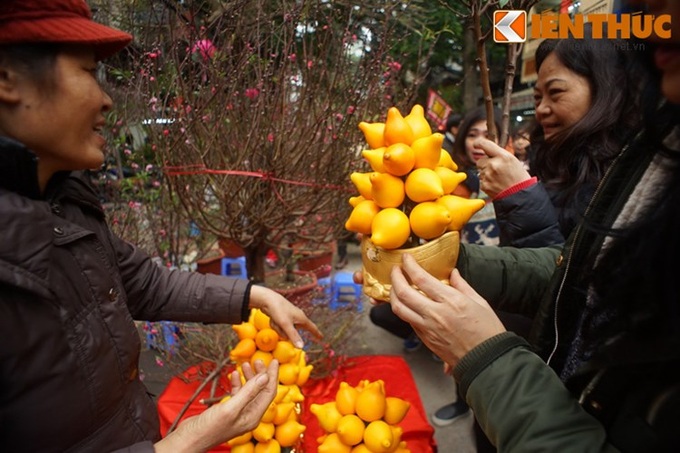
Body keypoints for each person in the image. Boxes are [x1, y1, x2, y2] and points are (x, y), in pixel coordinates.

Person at [0, 1, 322, 452]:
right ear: (7, 80)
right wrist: (184, 442)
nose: (107, 99)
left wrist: (256, 296)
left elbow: (144, 284)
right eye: (88, 71)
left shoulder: (63, 202)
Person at [387, 0, 680, 449]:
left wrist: (487, 355)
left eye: (555, 93)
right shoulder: (622, 160)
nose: (541, 109)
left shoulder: (633, 166)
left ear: (607, 88)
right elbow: (578, 276)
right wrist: (455, 263)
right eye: (538, 96)